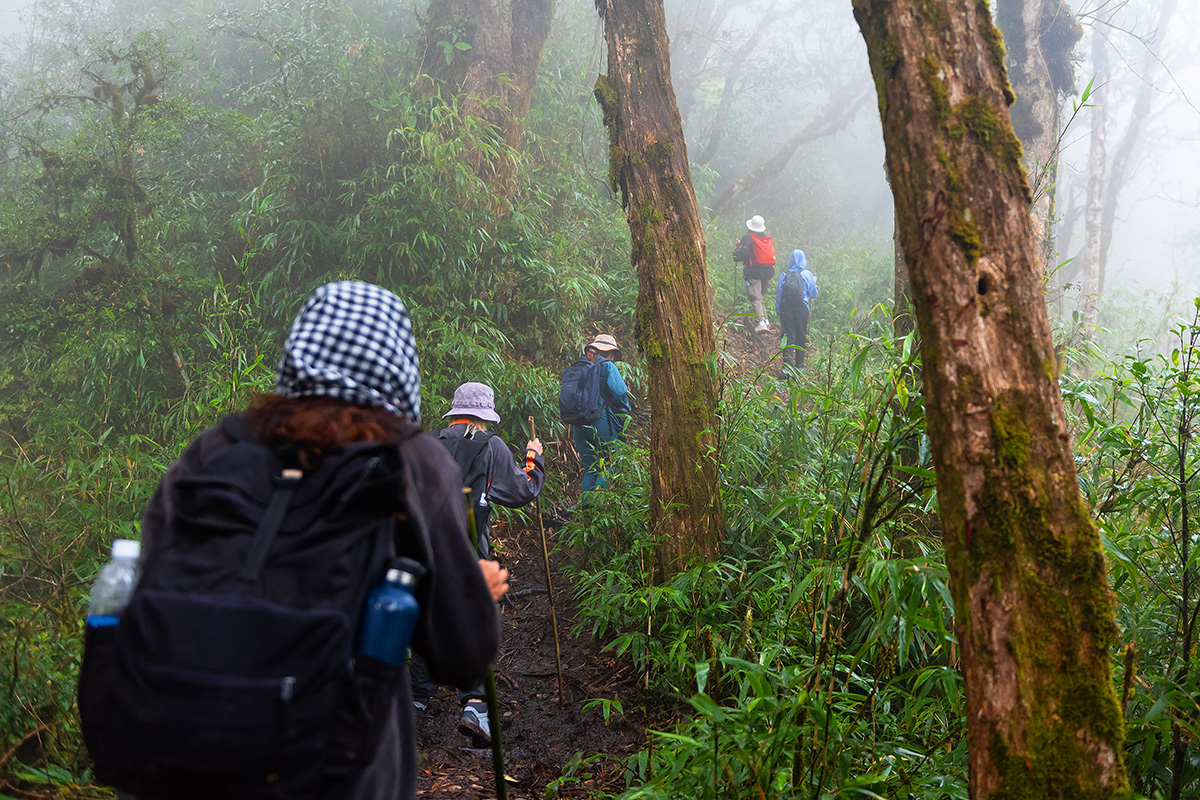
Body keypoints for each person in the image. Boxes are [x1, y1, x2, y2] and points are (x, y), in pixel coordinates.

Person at [128, 281, 506, 800]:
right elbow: (462, 654)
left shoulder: (214, 450)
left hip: (181, 746)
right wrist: (473, 593)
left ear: (298, 352)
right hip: (336, 766)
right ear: (398, 363)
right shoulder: (411, 463)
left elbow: (153, 576)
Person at [410, 381, 545, 744]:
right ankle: (474, 707)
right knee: (472, 621)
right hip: (470, 553)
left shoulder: (428, 445)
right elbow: (522, 490)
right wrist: (534, 457)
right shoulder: (491, 446)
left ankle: (415, 703)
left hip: (424, 550)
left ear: (454, 412)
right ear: (485, 415)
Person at [571, 334, 630, 494]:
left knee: (591, 469)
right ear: (611, 354)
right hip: (601, 422)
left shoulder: (580, 366)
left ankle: (586, 513)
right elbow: (620, 390)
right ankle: (598, 506)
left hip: (577, 424)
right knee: (613, 462)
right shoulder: (608, 366)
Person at [774, 249, 819, 370]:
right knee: (801, 336)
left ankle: (787, 368)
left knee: (788, 337)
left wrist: (778, 310)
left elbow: (779, 294)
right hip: (802, 309)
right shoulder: (807, 274)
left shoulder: (784, 275)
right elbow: (813, 294)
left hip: (786, 308)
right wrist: (814, 283)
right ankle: (799, 367)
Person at [732, 215, 777, 333]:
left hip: (753, 273)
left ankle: (761, 323)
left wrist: (738, 246)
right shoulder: (764, 238)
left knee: (755, 297)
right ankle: (765, 321)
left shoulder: (747, 238)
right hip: (767, 272)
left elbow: (740, 256)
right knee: (760, 297)